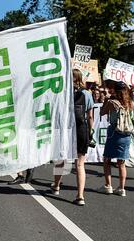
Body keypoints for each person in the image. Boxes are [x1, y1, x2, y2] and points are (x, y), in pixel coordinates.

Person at [51, 69, 94, 206]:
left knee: (61, 159)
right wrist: (90, 131)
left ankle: (56, 186)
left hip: (66, 129)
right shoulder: (87, 93)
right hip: (81, 130)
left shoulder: (63, 92)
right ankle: (80, 196)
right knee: (80, 164)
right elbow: (90, 116)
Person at [99, 81, 134, 196]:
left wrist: (106, 100)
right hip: (127, 135)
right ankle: (121, 188)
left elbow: (102, 112)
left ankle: (108, 185)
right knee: (121, 163)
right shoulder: (130, 103)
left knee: (107, 159)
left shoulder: (112, 102)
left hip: (114, 133)